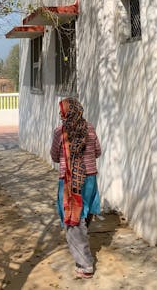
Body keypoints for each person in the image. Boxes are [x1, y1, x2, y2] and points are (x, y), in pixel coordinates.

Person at [50, 97, 101, 279]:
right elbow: (98, 152)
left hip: (71, 181)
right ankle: (82, 243)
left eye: (61, 111)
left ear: (65, 113)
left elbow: (55, 156)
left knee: (73, 220)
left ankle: (85, 264)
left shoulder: (60, 132)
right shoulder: (90, 129)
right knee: (84, 213)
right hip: (90, 179)